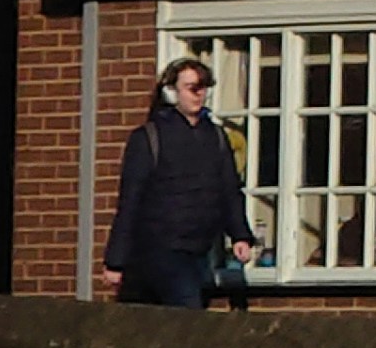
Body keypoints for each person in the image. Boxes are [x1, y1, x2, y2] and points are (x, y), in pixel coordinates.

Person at [99, 56, 257, 309]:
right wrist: (115, 261)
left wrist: (240, 235)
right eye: (192, 88)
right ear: (171, 92)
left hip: (200, 248)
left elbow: (229, 189)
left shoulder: (215, 136)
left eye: (204, 87)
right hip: (159, 247)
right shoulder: (148, 138)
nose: (199, 94)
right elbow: (130, 201)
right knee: (188, 313)